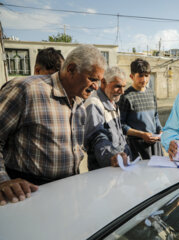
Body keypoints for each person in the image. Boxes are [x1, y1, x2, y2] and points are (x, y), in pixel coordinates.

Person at [0, 44, 106, 205]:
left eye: (98, 81)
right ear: (71, 69)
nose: (96, 87)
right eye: (92, 79)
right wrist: (3, 181)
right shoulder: (26, 90)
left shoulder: (79, 100)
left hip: (67, 195)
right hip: (29, 197)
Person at [84, 66, 132, 170]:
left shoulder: (113, 101)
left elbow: (120, 136)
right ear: (104, 82)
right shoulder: (94, 104)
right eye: (118, 86)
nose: (122, 91)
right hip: (105, 171)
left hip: (121, 166)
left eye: (124, 86)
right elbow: (97, 138)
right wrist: (112, 157)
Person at [118, 58, 163, 160]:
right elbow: (121, 125)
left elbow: (155, 117)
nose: (144, 80)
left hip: (155, 146)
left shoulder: (151, 93)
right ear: (132, 76)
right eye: (140, 76)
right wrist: (142, 135)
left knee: (156, 174)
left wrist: (160, 131)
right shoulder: (125, 97)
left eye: (147, 76)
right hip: (136, 148)